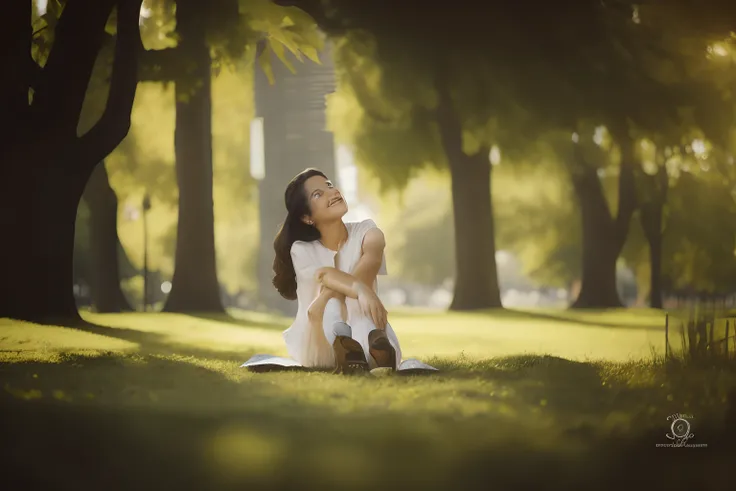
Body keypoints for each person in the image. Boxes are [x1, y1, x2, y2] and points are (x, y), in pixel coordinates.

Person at [272, 168, 402, 374]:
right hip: (318, 337)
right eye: (318, 194)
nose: (332, 192)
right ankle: (346, 346)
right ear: (307, 217)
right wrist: (360, 290)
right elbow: (324, 275)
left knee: (352, 300)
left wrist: (356, 291)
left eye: (329, 185)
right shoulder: (302, 249)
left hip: (365, 322)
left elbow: (370, 263)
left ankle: (372, 351)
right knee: (332, 303)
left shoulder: (369, 232)